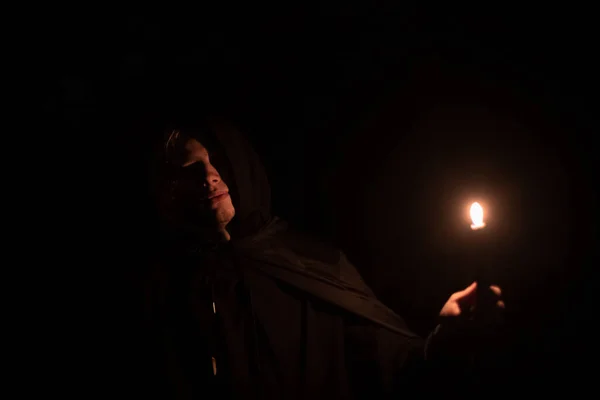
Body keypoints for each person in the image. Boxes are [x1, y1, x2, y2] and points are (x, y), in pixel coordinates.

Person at [135, 117, 505, 399]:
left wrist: (446, 337)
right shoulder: (164, 288)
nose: (209, 177)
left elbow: (394, 368)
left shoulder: (307, 262)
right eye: (190, 168)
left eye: (217, 162)